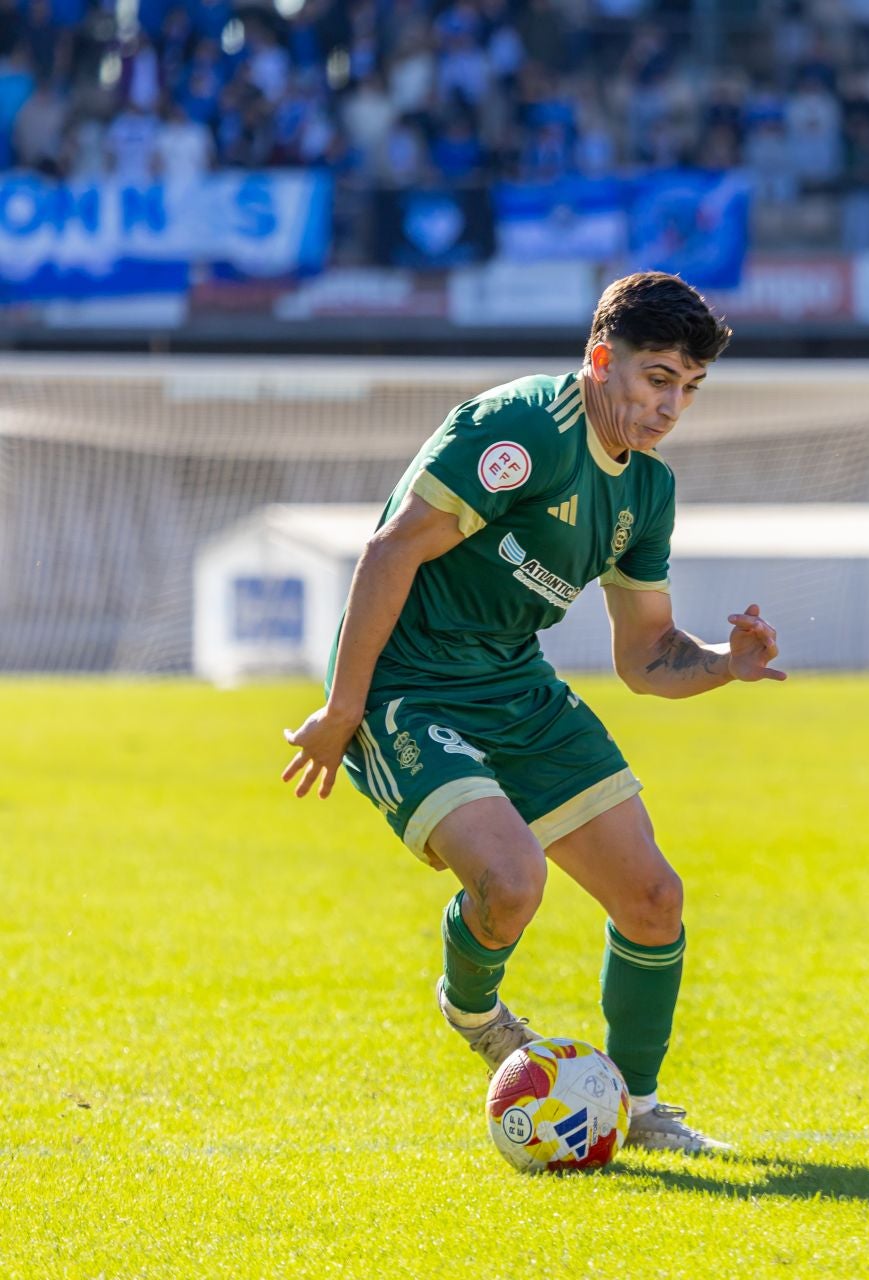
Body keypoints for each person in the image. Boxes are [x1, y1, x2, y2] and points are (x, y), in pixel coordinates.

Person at [280, 272, 784, 1153]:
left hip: (518, 688)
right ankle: (475, 1014)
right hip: (410, 686)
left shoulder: (647, 493)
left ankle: (637, 1107)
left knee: (655, 900)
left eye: (690, 389)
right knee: (513, 883)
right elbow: (391, 551)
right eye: (658, 378)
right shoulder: (517, 430)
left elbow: (648, 656)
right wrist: (342, 709)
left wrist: (725, 665)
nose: (672, 406)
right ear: (601, 360)